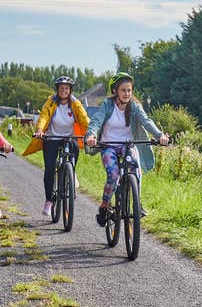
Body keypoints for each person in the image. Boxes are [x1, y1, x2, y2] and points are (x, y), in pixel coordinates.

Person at [85, 72, 168, 226]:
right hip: (108, 145)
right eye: (123, 90)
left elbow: (147, 122)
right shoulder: (107, 105)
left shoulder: (135, 106)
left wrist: (160, 135)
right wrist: (91, 135)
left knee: (136, 168)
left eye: (129, 90)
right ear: (115, 91)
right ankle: (104, 205)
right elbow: (96, 121)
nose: (127, 93)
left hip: (128, 144)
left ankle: (137, 202)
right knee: (114, 174)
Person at [23, 76, 90, 216]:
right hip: (52, 137)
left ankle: (71, 171)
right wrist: (40, 130)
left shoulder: (75, 104)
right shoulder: (51, 102)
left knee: (75, 148)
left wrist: (92, 133)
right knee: (49, 168)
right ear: (57, 89)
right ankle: (49, 200)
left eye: (67, 88)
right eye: (61, 88)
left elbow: (84, 119)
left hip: (68, 137)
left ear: (70, 90)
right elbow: (44, 116)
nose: (64, 91)